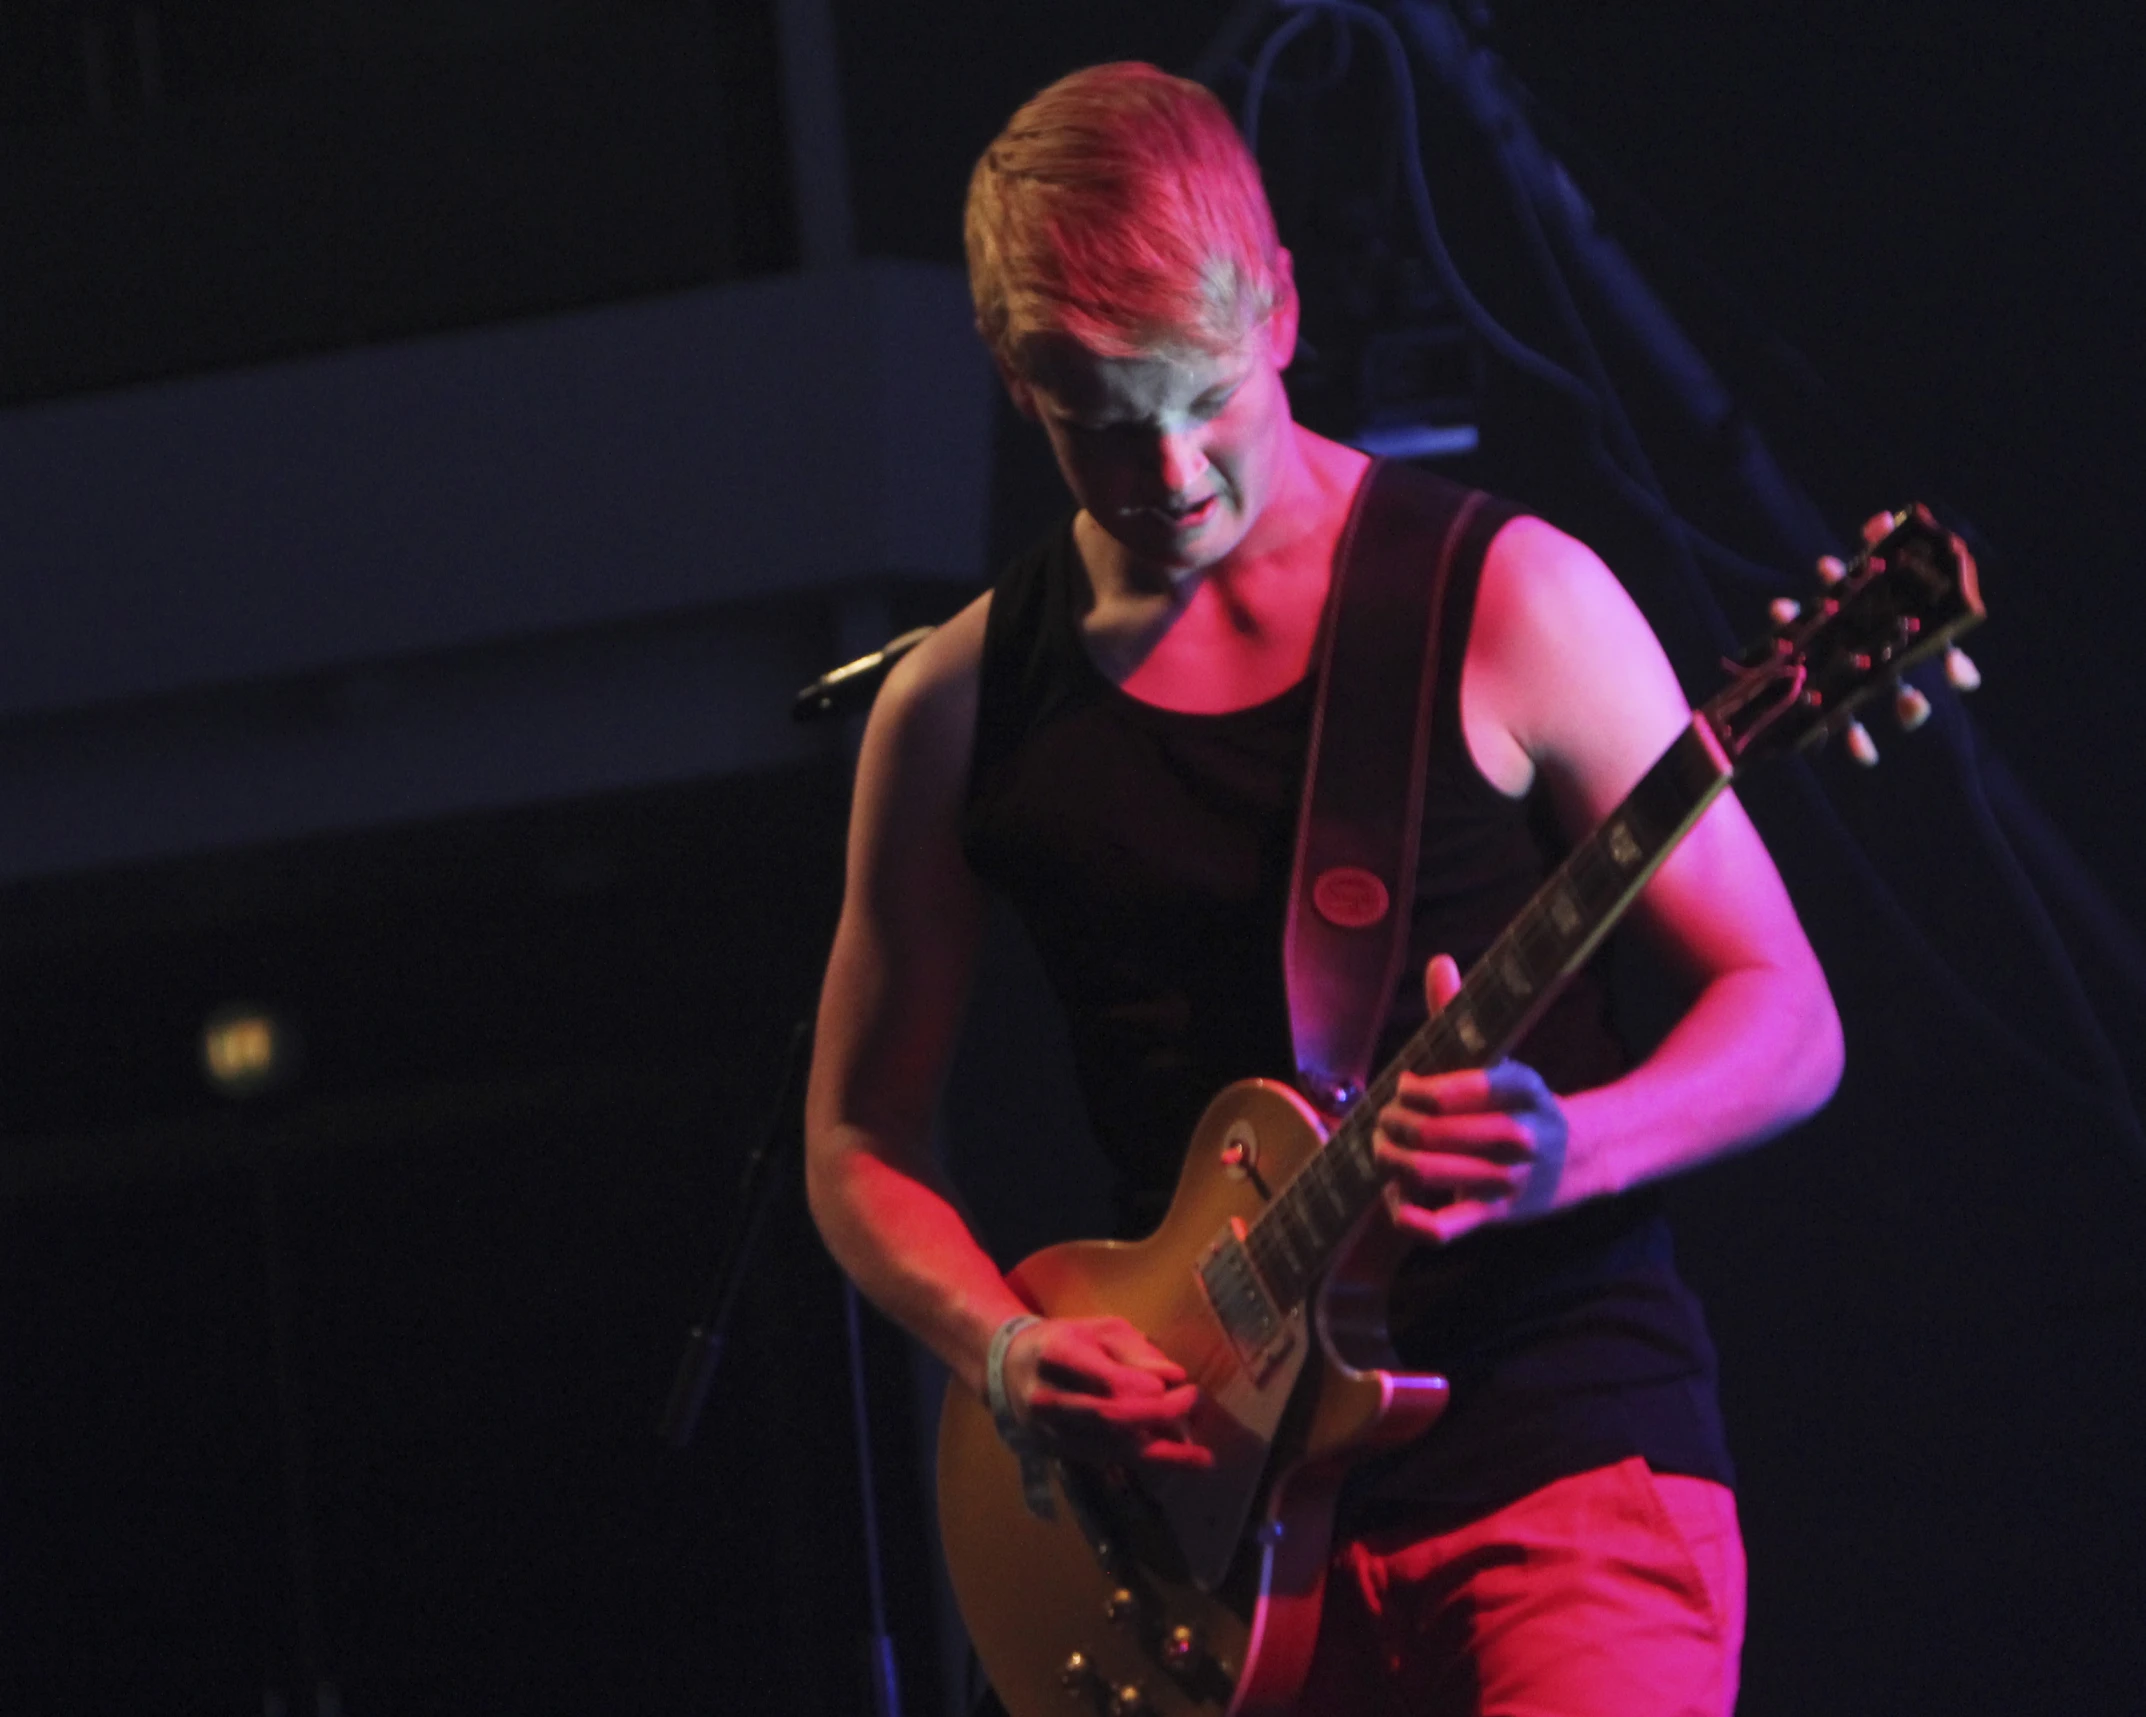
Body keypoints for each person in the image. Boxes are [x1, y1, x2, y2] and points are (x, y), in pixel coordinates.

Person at [804, 61, 1842, 1717]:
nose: (1169, 472)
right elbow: (859, 1140)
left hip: (1550, 1454)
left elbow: (1783, 1013)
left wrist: (1573, 1149)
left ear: (1280, 305)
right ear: (1011, 381)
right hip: (1196, 1546)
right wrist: (999, 1346)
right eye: (1101, 420)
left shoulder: (1508, 599)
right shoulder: (953, 705)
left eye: (1205, 396)